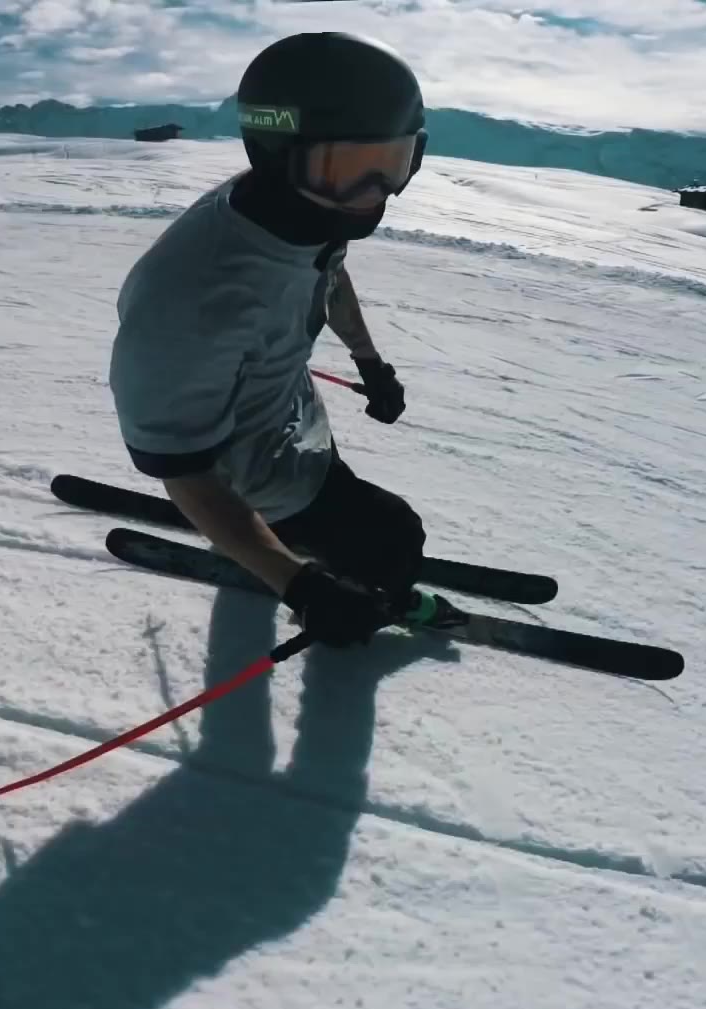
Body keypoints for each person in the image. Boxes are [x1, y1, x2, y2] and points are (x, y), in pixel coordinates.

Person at [108, 31, 450, 649]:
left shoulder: (306, 208)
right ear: (276, 153)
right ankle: (377, 595)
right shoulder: (191, 298)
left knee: (342, 499)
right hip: (252, 470)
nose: (373, 194)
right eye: (349, 171)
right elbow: (184, 469)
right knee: (395, 534)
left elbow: (330, 274)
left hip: (294, 419)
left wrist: (370, 363)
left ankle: (305, 545)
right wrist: (300, 587)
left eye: (392, 164)